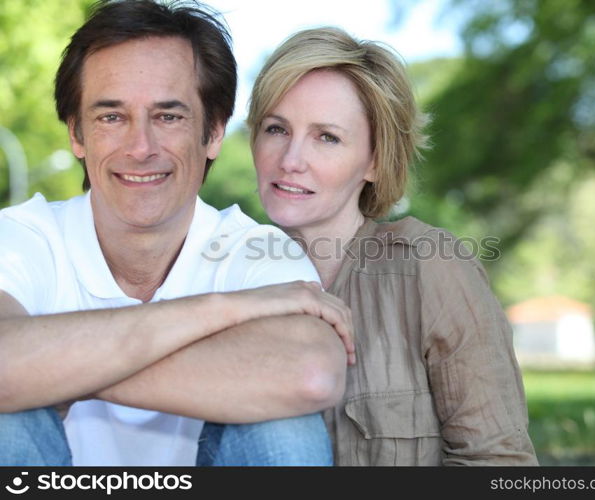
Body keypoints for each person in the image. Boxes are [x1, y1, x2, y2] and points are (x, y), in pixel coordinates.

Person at [0, 1, 356, 467]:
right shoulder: (22, 235)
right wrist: (223, 310)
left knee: (283, 424)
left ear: (212, 133)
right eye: (111, 117)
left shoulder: (254, 249)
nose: (141, 147)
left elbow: (311, 374)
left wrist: (47, 369)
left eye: (168, 117)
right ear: (77, 134)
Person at [247, 27, 539, 465]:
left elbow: (497, 462)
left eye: (327, 137)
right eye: (276, 128)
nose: (290, 160)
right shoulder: (225, 270)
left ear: (376, 161)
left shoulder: (431, 269)